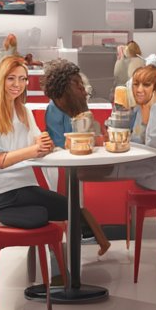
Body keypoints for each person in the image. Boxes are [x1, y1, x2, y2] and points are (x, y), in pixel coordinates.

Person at [0, 55, 64, 230]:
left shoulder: (24, 111)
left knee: (54, 210)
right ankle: (87, 243)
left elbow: (38, 142)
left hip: (24, 187)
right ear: (0, 79)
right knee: (66, 209)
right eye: (11, 78)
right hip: (0, 192)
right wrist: (34, 150)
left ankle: (68, 248)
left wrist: (44, 143)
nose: (17, 84)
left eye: (22, 79)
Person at [39, 58, 111, 253]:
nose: (82, 89)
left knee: (74, 204)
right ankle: (96, 239)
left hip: (72, 163)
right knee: (70, 205)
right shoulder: (54, 109)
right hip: (60, 166)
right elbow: (60, 141)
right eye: (77, 85)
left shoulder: (73, 107)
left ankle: (94, 240)